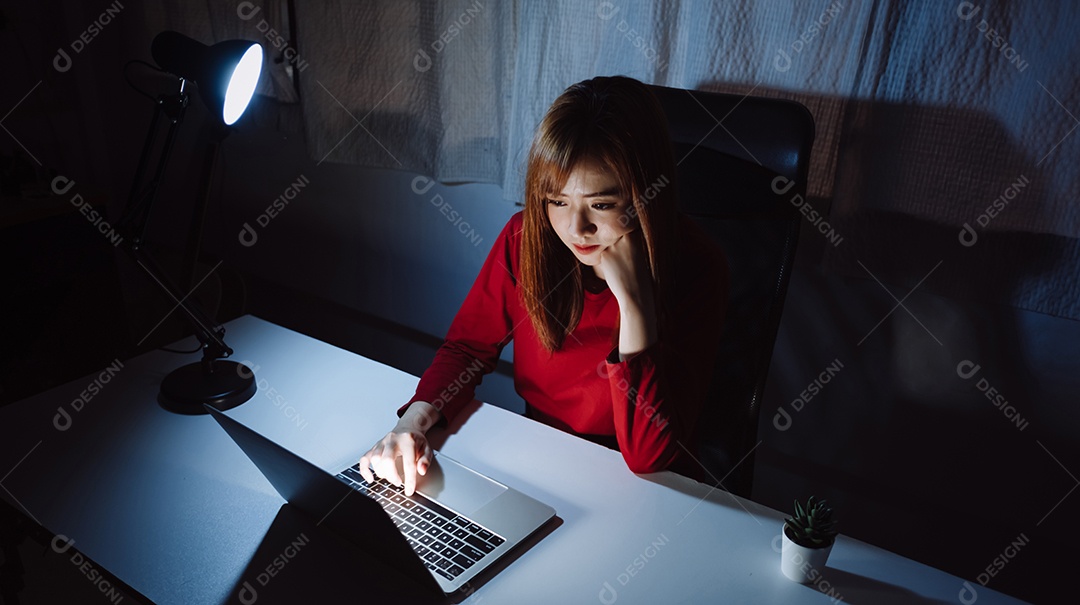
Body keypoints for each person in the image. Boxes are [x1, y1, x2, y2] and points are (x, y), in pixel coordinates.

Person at [359, 75, 728, 495]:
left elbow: (649, 457)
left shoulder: (698, 266)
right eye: (557, 201)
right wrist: (411, 423)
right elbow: (468, 348)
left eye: (602, 204)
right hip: (544, 460)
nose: (576, 229)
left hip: (650, 489)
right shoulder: (526, 239)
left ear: (646, 195)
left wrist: (635, 305)